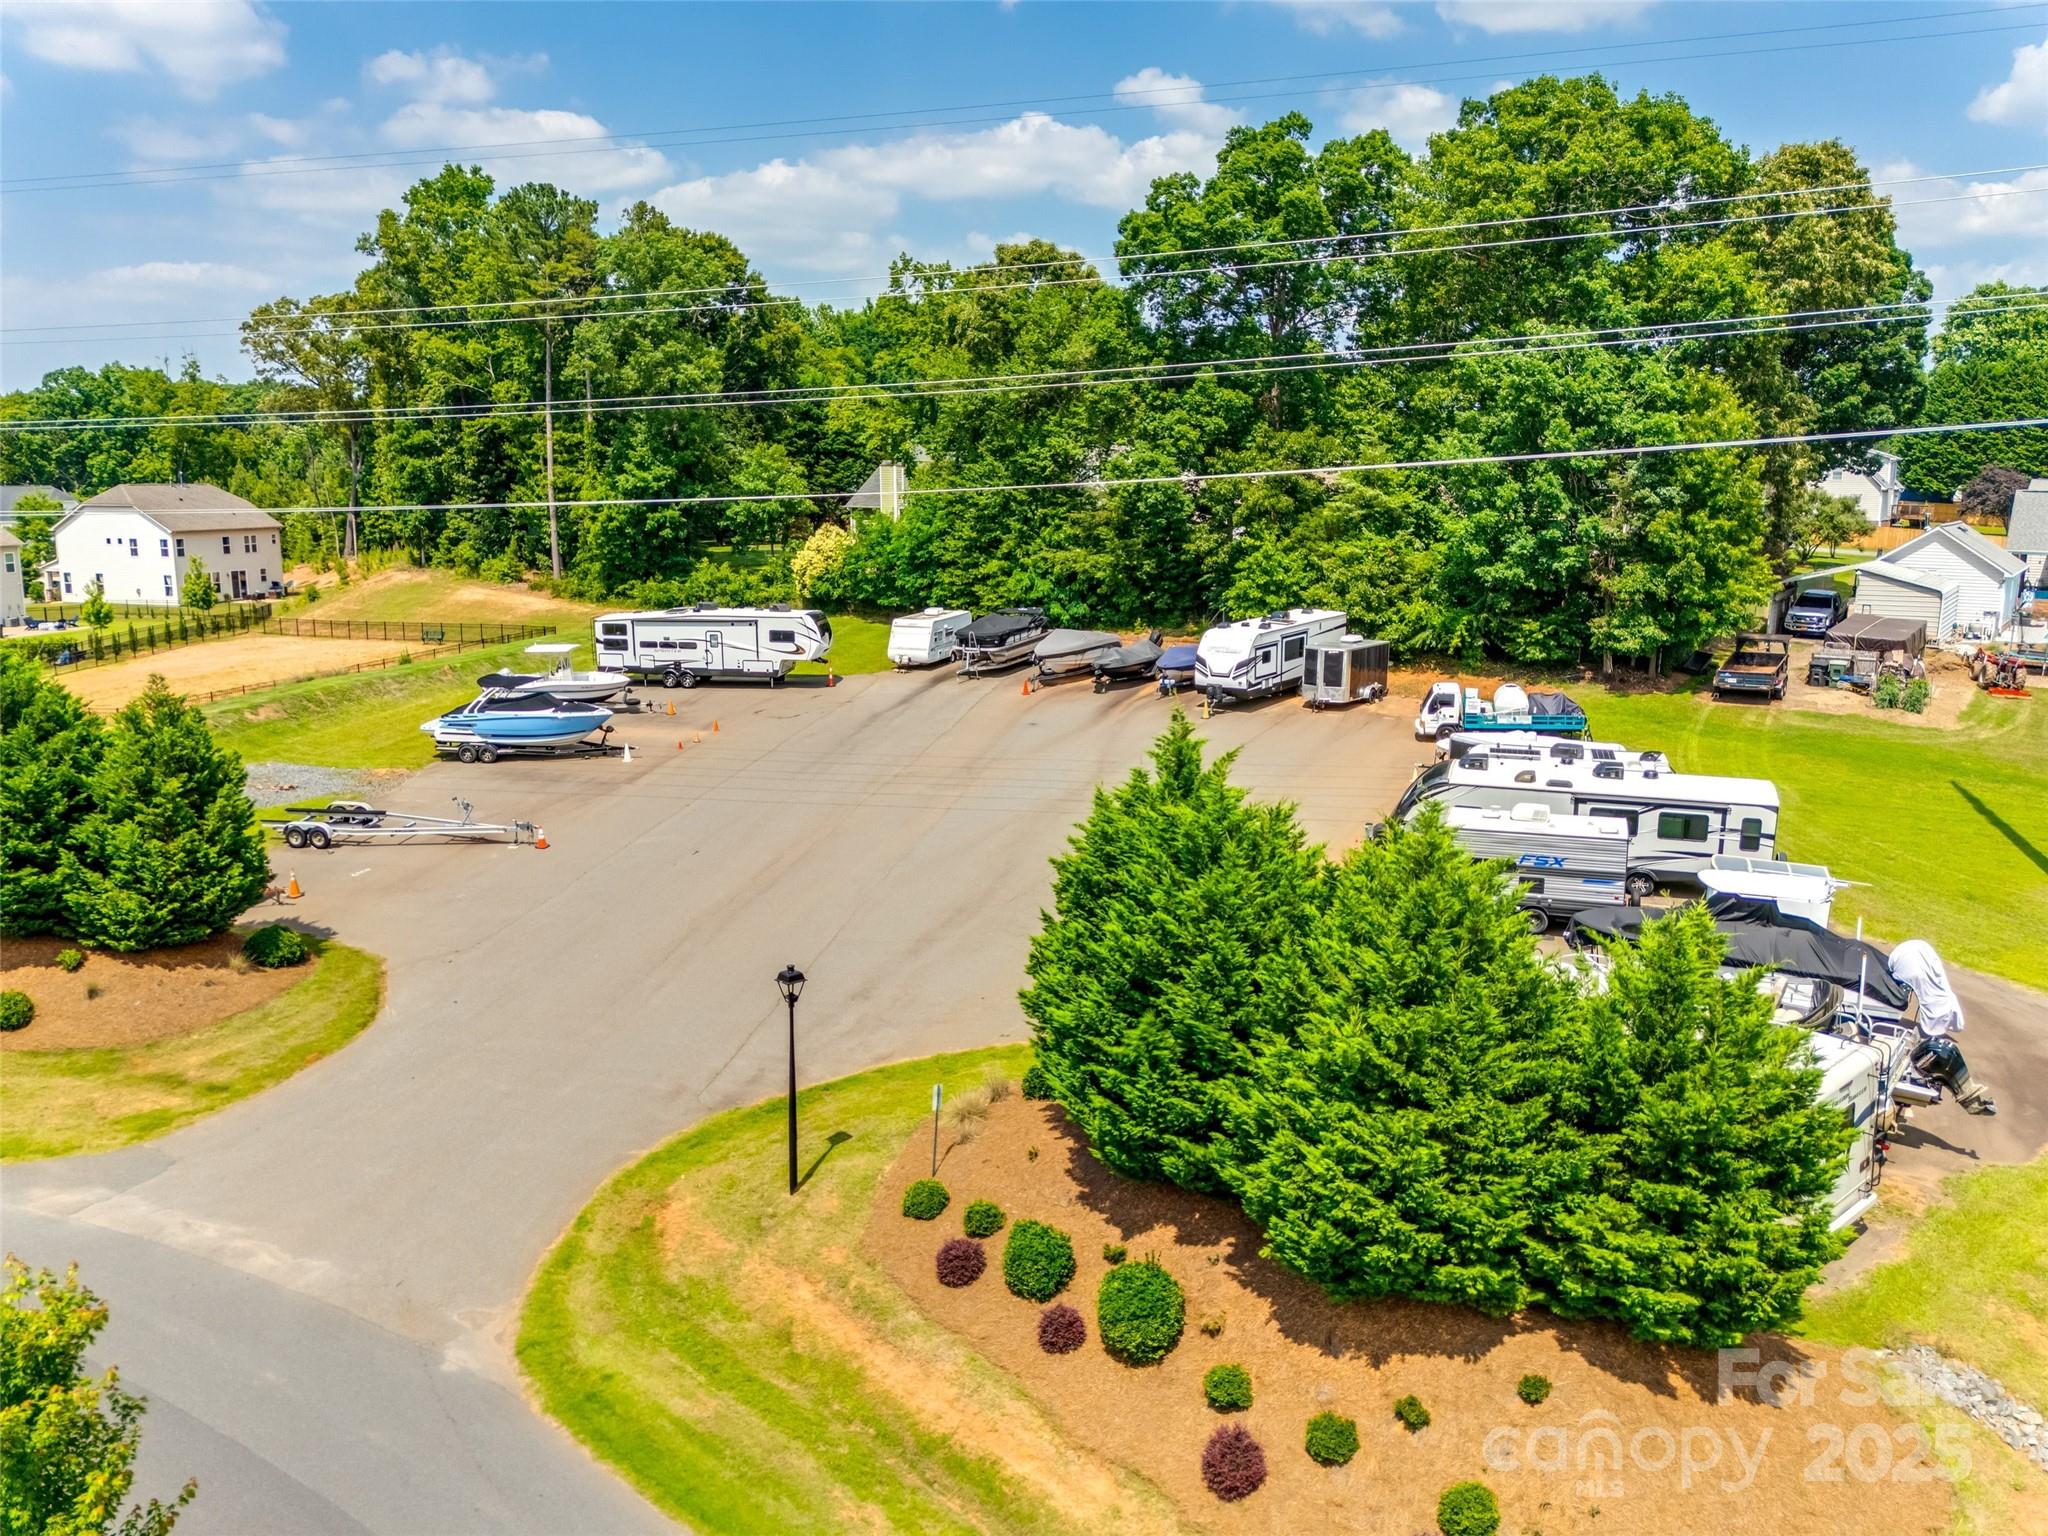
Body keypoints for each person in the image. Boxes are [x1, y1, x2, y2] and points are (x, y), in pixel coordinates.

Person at [1888, 939, 1996, 1116]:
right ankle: (1967, 1096)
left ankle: (1967, 1095)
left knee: (1938, 1053)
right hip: (1913, 955)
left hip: (1910, 956)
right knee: (1938, 1054)